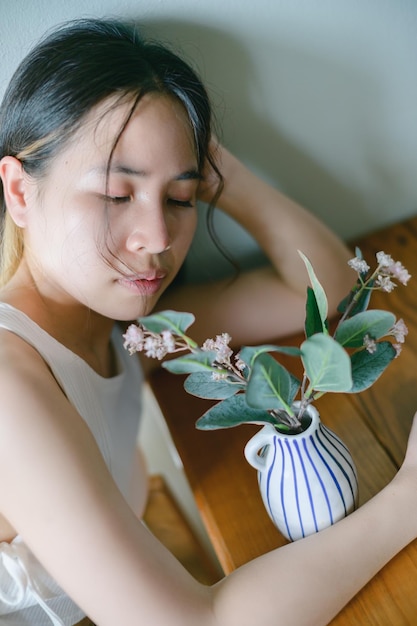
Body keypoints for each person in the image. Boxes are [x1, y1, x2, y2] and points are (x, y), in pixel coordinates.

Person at [0, 16, 415, 626]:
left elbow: (324, 293)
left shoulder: (116, 324)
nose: (159, 238)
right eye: (118, 195)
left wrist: (214, 169)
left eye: (180, 199)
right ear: (20, 192)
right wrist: (408, 500)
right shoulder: (11, 385)